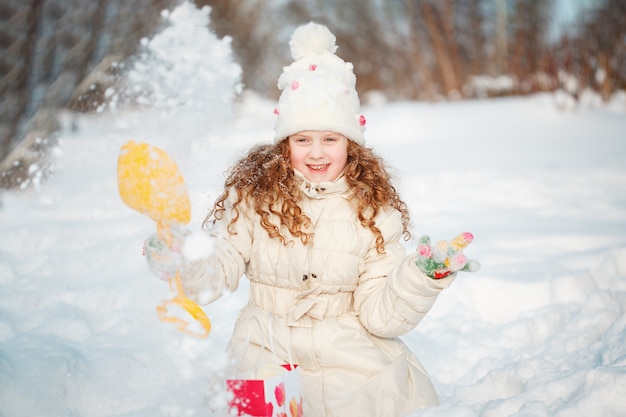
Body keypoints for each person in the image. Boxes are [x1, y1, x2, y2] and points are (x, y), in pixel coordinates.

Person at [144, 22, 479, 417]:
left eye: (330, 139)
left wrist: (421, 278)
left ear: (351, 144)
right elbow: (218, 269)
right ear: (284, 144)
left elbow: (381, 316)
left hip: (348, 363)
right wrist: (185, 255)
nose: (316, 153)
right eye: (302, 140)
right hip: (265, 356)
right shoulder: (255, 198)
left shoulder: (372, 209)